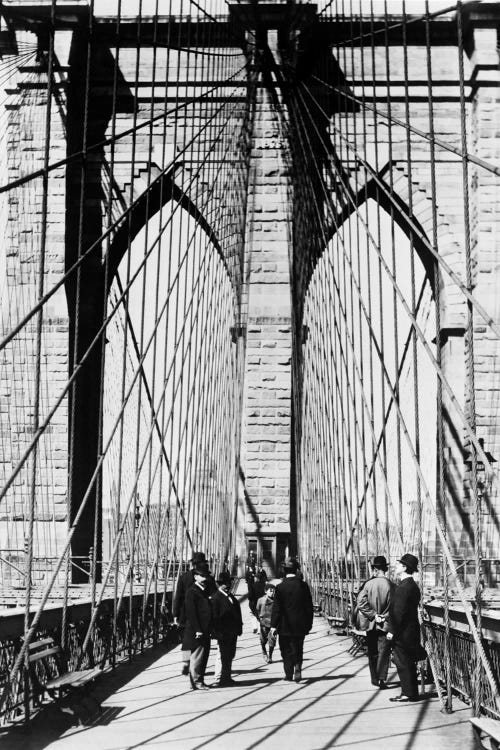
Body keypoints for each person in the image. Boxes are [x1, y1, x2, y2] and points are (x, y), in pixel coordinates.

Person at [270, 557, 314, 683]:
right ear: (296, 570)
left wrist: (273, 626)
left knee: (285, 649)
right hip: (300, 625)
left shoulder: (280, 587)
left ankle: (288, 673)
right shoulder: (303, 586)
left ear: (285, 571)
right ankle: (298, 667)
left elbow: (276, 608)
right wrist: (309, 623)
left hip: (284, 625)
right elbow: (309, 607)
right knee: (298, 647)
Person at [172, 552, 216, 676]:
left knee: (187, 640)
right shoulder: (209, 578)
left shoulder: (184, 577)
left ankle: (187, 663)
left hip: (184, 614)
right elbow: (214, 595)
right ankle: (193, 665)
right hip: (200, 614)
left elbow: (178, 597)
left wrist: (175, 614)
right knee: (197, 640)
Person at [386, 553, 421, 703]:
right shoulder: (413, 586)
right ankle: (412, 692)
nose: (396, 567)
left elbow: (398, 613)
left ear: (405, 567)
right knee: (409, 662)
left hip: (402, 633)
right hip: (411, 630)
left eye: (399, 564)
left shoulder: (403, 588)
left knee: (402, 662)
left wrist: (391, 631)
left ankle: (407, 693)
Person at [356, 555, 393, 689]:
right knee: (384, 652)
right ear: (385, 569)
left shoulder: (368, 584)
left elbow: (360, 602)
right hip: (385, 624)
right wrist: (384, 616)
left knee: (372, 650)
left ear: (375, 570)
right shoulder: (391, 585)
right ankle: (382, 678)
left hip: (371, 624)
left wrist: (373, 614)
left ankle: (374, 678)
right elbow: (395, 607)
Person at [184, 561, 213, 690]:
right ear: (195, 576)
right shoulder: (192, 591)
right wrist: (198, 630)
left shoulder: (204, 590)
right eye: (202, 575)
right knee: (198, 657)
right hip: (198, 630)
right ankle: (196, 682)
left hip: (205, 629)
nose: (205, 578)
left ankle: (198, 681)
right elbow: (191, 613)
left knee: (203, 656)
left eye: (206, 575)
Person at [210, 573, 243, 687]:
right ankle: (219, 678)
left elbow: (237, 613)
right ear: (219, 585)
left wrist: (239, 628)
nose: (228, 585)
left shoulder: (231, 597)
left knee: (230, 655)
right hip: (223, 632)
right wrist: (216, 633)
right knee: (222, 655)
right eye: (225, 584)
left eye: (229, 583)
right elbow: (214, 617)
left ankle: (226, 677)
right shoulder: (216, 598)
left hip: (232, 632)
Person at [256, 583, 276, 663]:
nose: (272, 593)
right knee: (263, 640)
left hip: (273, 623)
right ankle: (264, 651)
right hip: (263, 623)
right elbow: (257, 609)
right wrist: (260, 619)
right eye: (270, 591)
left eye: (274, 591)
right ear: (265, 591)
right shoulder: (261, 600)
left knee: (272, 640)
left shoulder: (276, 600)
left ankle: (270, 656)